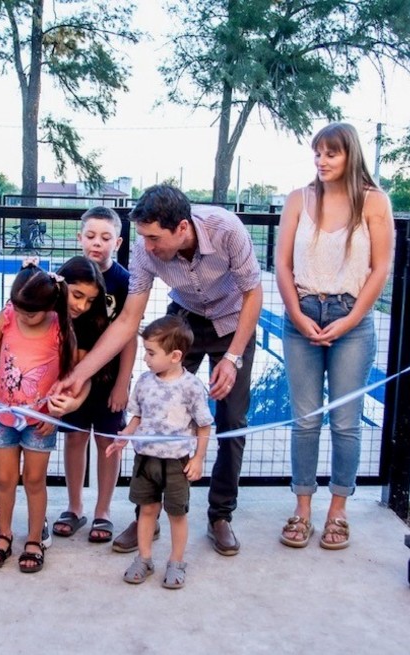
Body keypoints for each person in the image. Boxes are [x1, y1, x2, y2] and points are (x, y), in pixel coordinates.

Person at [54, 184, 262, 556]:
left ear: (182, 228)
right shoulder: (144, 249)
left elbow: (253, 293)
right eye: (144, 237)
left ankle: (220, 516)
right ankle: (145, 515)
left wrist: (232, 358)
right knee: (154, 413)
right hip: (183, 321)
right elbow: (127, 321)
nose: (147, 247)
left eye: (154, 238)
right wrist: (79, 374)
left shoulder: (227, 229)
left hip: (233, 322)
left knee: (231, 420)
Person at [275, 123, 395, 550]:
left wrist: (351, 320)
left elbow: (380, 267)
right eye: (318, 153)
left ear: (350, 155)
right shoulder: (299, 199)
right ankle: (302, 508)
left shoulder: (375, 202)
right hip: (302, 315)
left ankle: (338, 510)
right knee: (306, 420)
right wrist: (295, 314)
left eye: (331, 153)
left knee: (345, 422)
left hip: (351, 319)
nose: (322, 161)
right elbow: (282, 264)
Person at [0, 264, 84, 573]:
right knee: (4, 479)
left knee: (34, 479)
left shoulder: (60, 326)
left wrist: (56, 412)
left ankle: (33, 538)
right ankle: (3, 534)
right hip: (3, 414)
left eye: (31, 313)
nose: (23, 316)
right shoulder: (7, 316)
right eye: (19, 309)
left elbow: (71, 376)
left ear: (49, 306)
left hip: (40, 420)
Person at [107, 316, 212, 589]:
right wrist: (124, 436)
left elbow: (204, 424)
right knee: (147, 510)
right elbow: (137, 416)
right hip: (146, 460)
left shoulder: (191, 387)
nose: (145, 359)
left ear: (175, 356)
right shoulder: (144, 382)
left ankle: (177, 561)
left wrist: (198, 458)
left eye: (151, 353)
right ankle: (144, 559)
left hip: (177, 463)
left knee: (176, 514)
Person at [52, 207, 136, 544]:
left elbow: (129, 335)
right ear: (79, 238)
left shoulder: (126, 282)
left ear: (118, 242)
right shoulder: (66, 277)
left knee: (107, 442)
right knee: (74, 438)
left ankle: (103, 510)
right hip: (73, 375)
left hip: (108, 379)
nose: (96, 243)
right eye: (90, 236)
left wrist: (122, 383)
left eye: (105, 237)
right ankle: (74, 507)